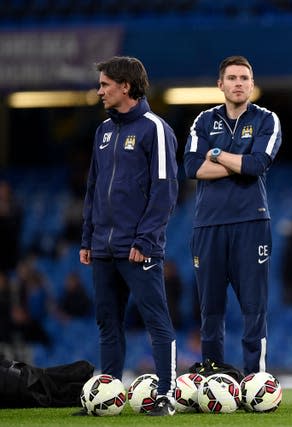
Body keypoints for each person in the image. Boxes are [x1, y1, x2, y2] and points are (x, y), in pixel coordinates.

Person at [79, 56, 179, 416]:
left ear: (125, 86)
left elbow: (166, 190)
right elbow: (93, 188)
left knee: (157, 322)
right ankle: (108, 398)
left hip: (138, 249)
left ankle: (166, 396)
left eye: (105, 84)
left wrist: (145, 240)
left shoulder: (156, 128)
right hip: (103, 248)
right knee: (108, 323)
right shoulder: (103, 131)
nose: (100, 90)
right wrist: (88, 238)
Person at [183, 56, 282, 376]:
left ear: (252, 84)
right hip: (208, 224)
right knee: (210, 311)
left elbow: (257, 166)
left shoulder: (267, 119)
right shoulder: (202, 120)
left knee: (254, 309)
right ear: (220, 84)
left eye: (244, 78)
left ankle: (255, 379)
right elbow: (191, 167)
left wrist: (216, 154)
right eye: (232, 78)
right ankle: (213, 377)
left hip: (251, 223)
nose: (238, 83)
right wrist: (237, 162)